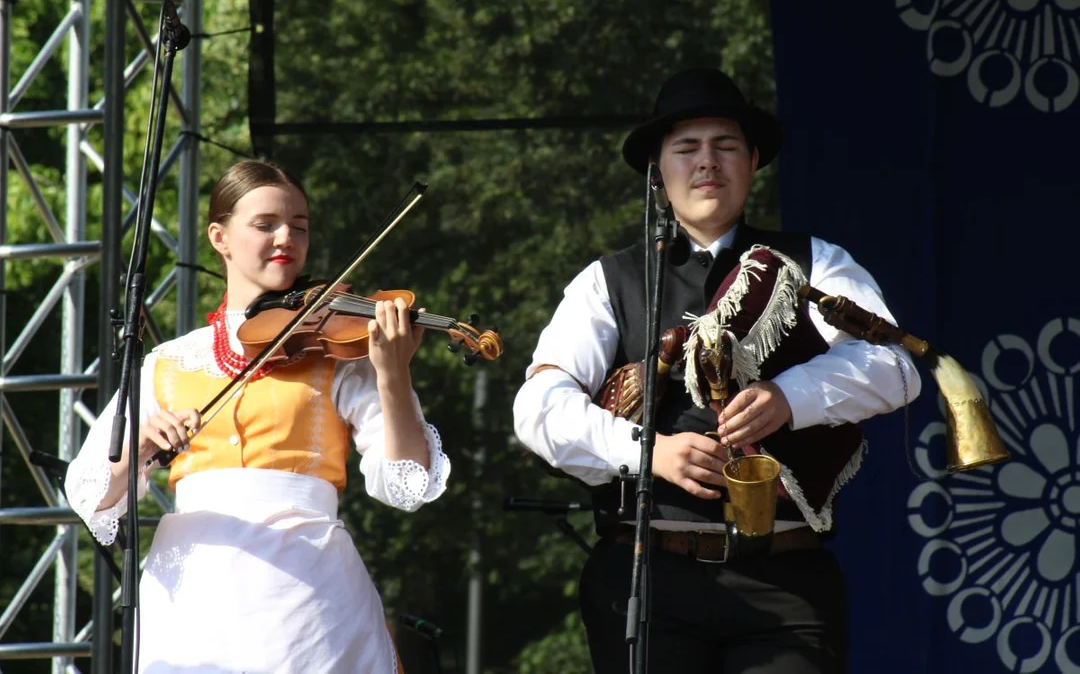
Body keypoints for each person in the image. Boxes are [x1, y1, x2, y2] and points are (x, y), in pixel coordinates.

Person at [513, 68, 922, 673]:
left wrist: (790, 396)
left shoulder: (816, 261)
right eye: (687, 148)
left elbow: (894, 364)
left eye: (726, 146)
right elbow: (538, 407)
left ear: (753, 160)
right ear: (658, 169)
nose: (708, 162)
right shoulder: (610, 281)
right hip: (646, 579)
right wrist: (647, 451)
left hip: (785, 578)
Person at [65, 160, 449, 673]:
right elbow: (91, 494)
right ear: (219, 237)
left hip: (309, 598)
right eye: (265, 224)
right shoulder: (169, 362)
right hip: (193, 601)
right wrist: (139, 449)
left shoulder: (337, 353)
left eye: (300, 226)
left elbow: (409, 485)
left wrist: (393, 374)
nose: (286, 237)